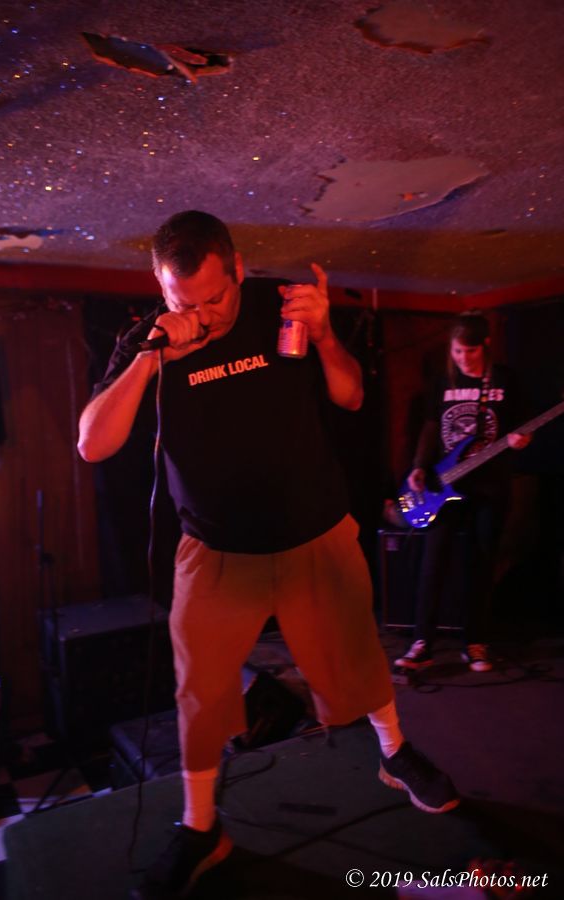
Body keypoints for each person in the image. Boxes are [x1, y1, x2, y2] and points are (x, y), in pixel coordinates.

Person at [78, 211, 459, 899]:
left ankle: (395, 753)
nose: (201, 316)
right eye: (182, 300)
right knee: (199, 694)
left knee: (356, 655)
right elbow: (92, 444)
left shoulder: (280, 308)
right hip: (215, 549)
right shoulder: (151, 337)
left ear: (239, 269)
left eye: (214, 299)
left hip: (314, 533)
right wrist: (150, 357)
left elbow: (351, 395)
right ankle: (201, 827)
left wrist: (327, 335)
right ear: (160, 286)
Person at [394, 312, 531, 674]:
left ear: (485, 345)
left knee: (481, 564)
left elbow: (521, 427)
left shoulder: (505, 380)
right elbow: (430, 426)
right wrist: (419, 466)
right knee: (432, 562)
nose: (463, 359)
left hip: (491, 486)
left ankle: (475, 642)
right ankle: (422, 643)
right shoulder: (442, 382)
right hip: (446, 482)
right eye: (457, 351)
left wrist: (522, 440)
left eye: (470, 351)